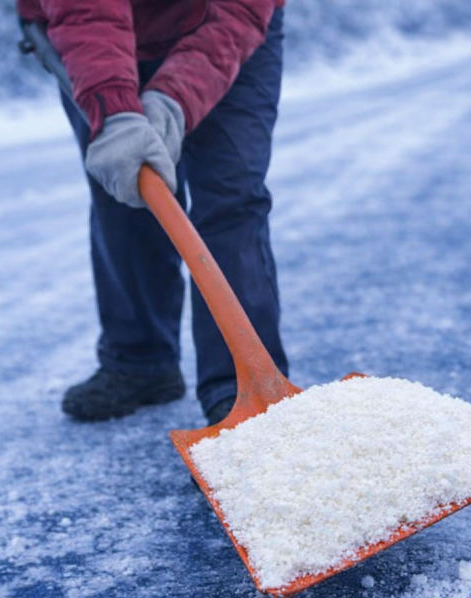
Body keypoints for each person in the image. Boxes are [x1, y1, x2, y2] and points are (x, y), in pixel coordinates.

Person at [16, 0, 289, 425]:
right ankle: (141, 363)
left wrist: (177, 97)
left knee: (231, 196)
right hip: (84, 29)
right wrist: (114, 109)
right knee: (122, 187)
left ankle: (246, 391)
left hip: (221, 22)